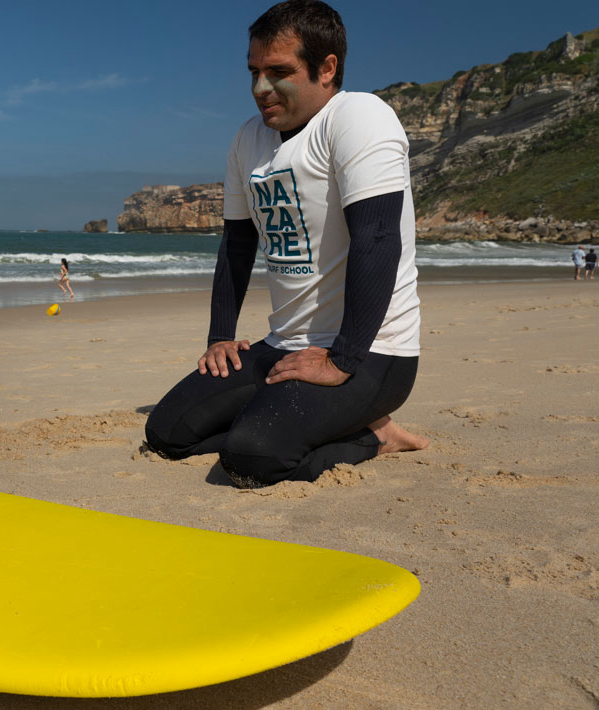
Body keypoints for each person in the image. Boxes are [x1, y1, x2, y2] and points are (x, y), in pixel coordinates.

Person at [145, 0, 427, 487]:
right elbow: (237, 245)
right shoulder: (248, 139)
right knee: (168, 434)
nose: (260, 88)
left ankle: (375, 436)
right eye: (253, 71)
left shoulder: (359, 117)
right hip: (283, 344)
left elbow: (378, 238)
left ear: (326, 68)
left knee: (252, 458)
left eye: (278, 72)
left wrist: (343, 360)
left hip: (374, 353)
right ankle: (298, 418)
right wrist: (219, 337)